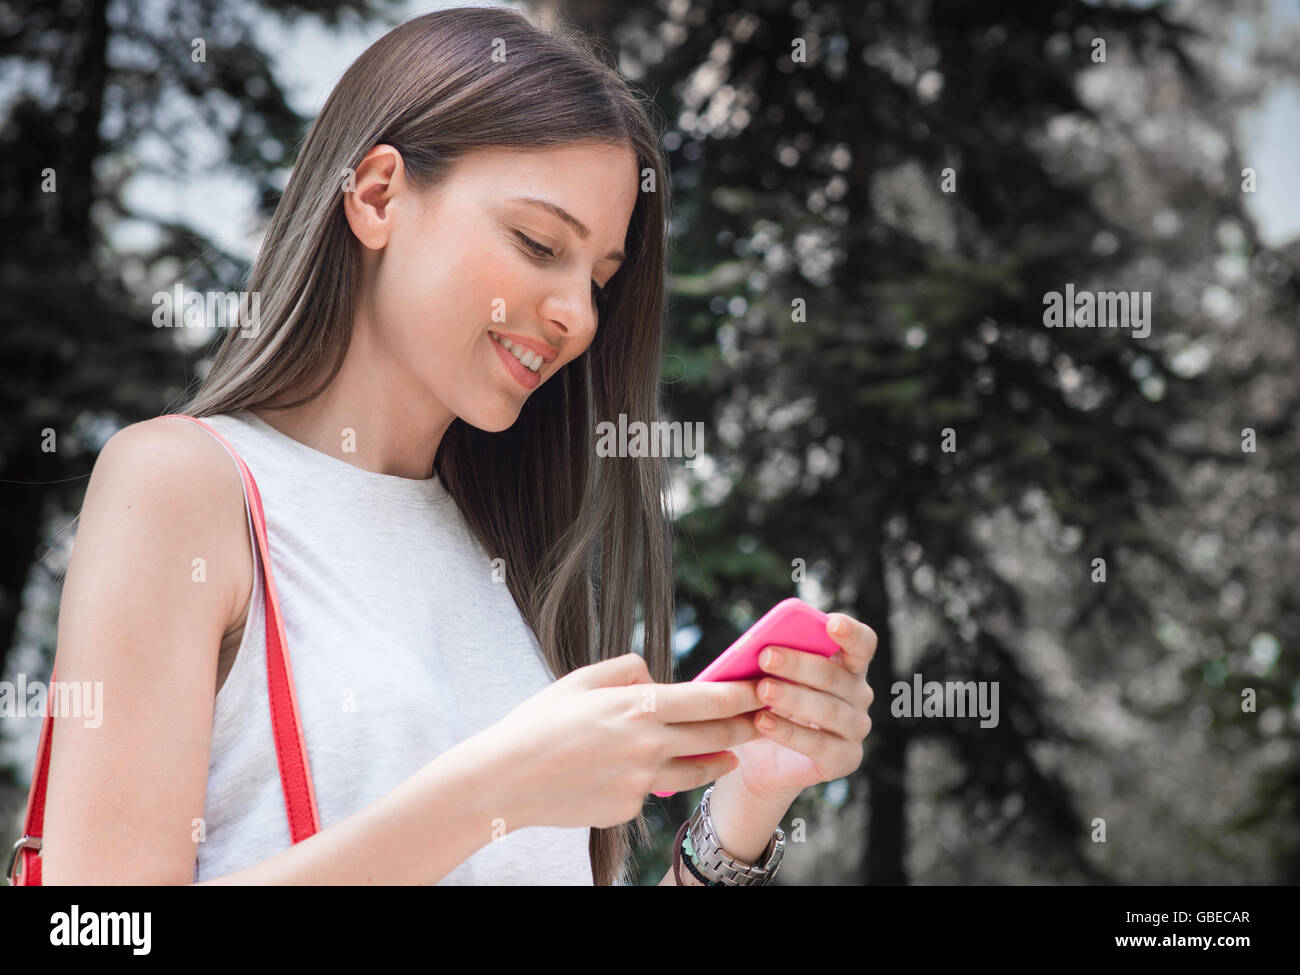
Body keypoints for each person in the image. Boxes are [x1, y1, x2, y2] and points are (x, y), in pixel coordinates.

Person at [36, 6, 875, 886]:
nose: (578, 316)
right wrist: (496, 790)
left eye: (599, 279)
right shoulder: (184, 484)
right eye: (537, 243)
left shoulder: (506, 553)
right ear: (377, 196)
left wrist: (746, 805)